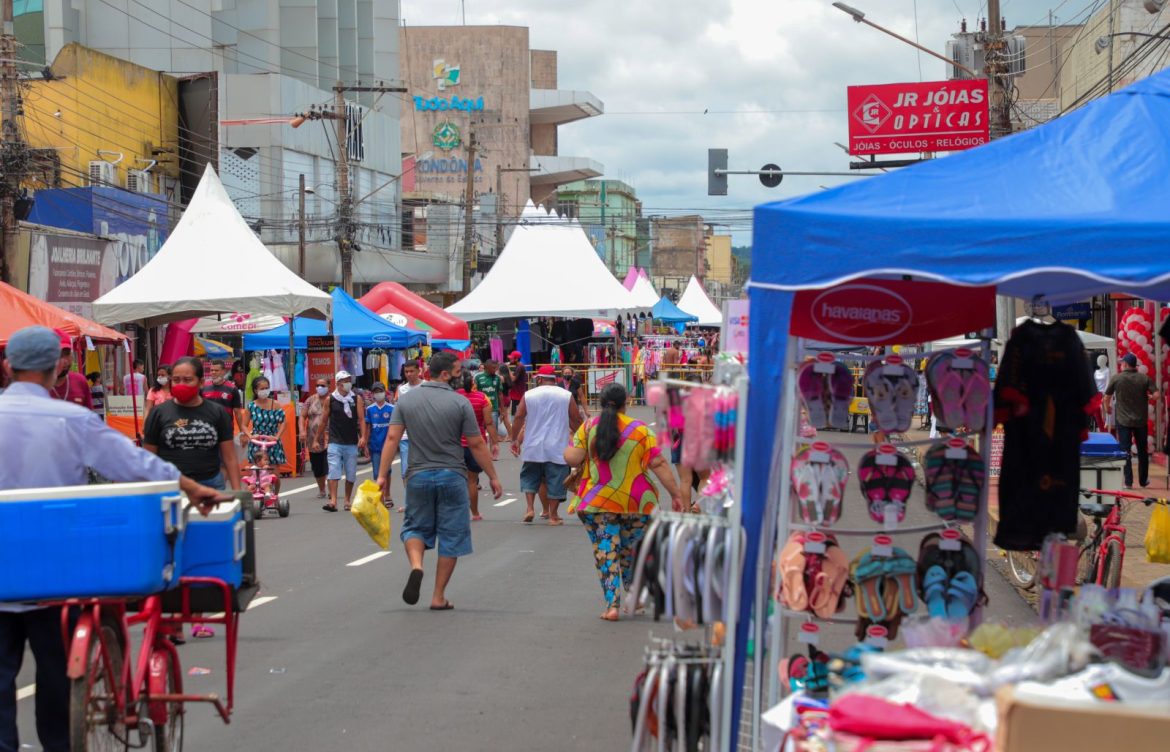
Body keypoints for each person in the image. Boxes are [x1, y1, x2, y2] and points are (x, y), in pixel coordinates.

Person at [0, 328, 223, 752]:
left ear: (8, 366)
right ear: (54, 370)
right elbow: (136, 465)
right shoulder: (72, 419)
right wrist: (191, 488)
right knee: (58, 676)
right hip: (57, 579)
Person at [377, 351, 503, 610]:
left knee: (413, 527)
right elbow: (477, 443)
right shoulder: (460, 404)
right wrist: (493, 476)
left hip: (418, 475)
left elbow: (392, 439)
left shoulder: (406, 401)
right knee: (452, 535)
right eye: (457, 372)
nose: (462, 377)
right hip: (452, 476)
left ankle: (417, 565)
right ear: (444, 374)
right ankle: (438, 596)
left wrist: (381, 475)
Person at [563, 383, 683, 621]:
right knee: (632, 551)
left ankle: (612, 606)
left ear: (602, 402)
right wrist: (676, 495)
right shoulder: (640, 430)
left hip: (597, 503)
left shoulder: (589, 427)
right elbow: (658, 464)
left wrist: (571, 446)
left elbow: (573, 457)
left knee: (606, 551)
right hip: (637, 503)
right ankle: (635, 598)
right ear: (625, 403)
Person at [510, 364, 582, 525]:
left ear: (540, 379)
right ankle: (553, 516)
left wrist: (514, 438)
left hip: (533, 445)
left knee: (530, 476)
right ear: (555, 379)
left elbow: (519, 416)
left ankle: (529, 508)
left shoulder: (529, 394)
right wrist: (581, 436)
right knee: (556, 479)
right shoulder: (565, 395)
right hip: (557, 445)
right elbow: (575, 418)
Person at [1104, 352, 1159, 489]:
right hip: (1140, 421)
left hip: (1123, 421)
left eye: (1122, 363)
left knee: (1125, 450)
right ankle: (1143, 480)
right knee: (1142, 450)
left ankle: (1128, 482)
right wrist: (1150, 396)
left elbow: (1106, 397)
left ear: (1125, 364)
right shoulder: (1144, 378)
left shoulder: (1117, 378)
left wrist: (1108, 409)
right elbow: (1157, 395)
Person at [456, 372, 501, 521]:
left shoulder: (455, 396)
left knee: (456, 480)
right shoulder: (482, 398)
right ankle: (475, 513)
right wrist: (495, 442)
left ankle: (456, 512)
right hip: (476, 444)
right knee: (472, 481)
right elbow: (488, 423)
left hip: (456, 444)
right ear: (474, 383)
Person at [324, 370, 367, 512]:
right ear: (338, 383)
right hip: (334, 440)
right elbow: (324, 419)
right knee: (333, 470)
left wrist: (363, 437)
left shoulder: (356, 399)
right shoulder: (330, 399)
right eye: (345, 380)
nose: (348, 383)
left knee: (351, 473)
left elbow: (361, 420)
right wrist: (319, 437)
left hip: (351, 441)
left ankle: (347, 499)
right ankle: (333, 501)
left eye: (349, 380)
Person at [243, 375, 286, 496]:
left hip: (272, 442)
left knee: (275, 475)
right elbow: (244, 425)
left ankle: (275, 497)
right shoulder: (251, 406)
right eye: (262, 388)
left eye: (267, 388)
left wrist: (277, 436)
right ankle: (255, 496)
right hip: (257, 442)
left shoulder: (276, 405)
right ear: (256, 390)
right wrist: (250, 436)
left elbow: (283, 422)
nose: (265, 391)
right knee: (256, 473)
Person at [392, 361, 423, 508]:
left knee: (423, 469)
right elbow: (398, 411)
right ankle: (409, 502)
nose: (409, 374)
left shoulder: (426, 386)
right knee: (405, 471)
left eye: (412, 371)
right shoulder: (402, 389)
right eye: (406, 372)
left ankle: (423, 502)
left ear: (419, 371)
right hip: (405, 437)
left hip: (423, 436)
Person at [300, 376, 331, 499]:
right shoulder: (310, 400)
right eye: (318, 385)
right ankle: (321, 489)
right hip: (313, 439)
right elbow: (302, 416)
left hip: (330, 436)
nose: (320, 388)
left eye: (323, 385)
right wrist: (302, 430)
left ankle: (331, 489)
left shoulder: (332, 399)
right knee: (317, 466)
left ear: (329, 386)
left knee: (329, 464)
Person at [365, 382, 395, 509]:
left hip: (387, 446)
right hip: (375, 446)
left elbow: (394, 428)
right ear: (372, 394)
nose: (378, 394)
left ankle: (387, 494)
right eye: (376, 392)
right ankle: (381, 498)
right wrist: (365, 444)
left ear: (385, 392)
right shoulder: (370, 409)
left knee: (387, 471)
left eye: (380, 391)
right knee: (377, 473)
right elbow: (368, 427)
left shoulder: (392, 409)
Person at [202, 358, 247, 439]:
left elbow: (238, 413)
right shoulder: (204, 387)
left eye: (216, 370)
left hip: (226, 430)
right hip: (207, 430)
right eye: (211, 370)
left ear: (224, 371)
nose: (213, 372)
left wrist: (242, 433)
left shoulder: (232, 389)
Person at [47, 330, 92, 410]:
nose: (64, 361)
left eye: (67, 354)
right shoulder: (37, 385)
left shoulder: (80, 381)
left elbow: (89, 418)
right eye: (58, 354)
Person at [475, 358, 509, 438]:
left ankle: (493, 449)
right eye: (494, 368)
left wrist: (503, 410)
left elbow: (500, 394)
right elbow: (475, 393)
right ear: (487, 367)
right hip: (481, 409)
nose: (496, 370)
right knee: (481, 433)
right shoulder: (478, 377)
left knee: (493, 434)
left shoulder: (497, 378)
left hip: (494, 409)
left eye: (496, 368)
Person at [506, 350, 528, 417]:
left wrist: (508, 368)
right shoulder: (519, 366)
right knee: (515, 414)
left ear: (516, 359)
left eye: (511, 358)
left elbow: (513, 379)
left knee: (516, 415)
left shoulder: (520, 366)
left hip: (518, 394)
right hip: (516, 393)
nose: (510, 359)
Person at [1093, 354, 1111, 431]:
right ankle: (1101, 429)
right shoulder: (1096, 372)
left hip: (1104, 394)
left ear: (1105, 361)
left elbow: (1108, 382)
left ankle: (1105, 430)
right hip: (1096, 394)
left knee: (1104, 414)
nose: (1098, 361)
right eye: (1098, 360)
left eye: (1101, 360)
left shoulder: (1107, 371)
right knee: (1097, 414)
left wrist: (1105, 394)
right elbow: (1093, 383)